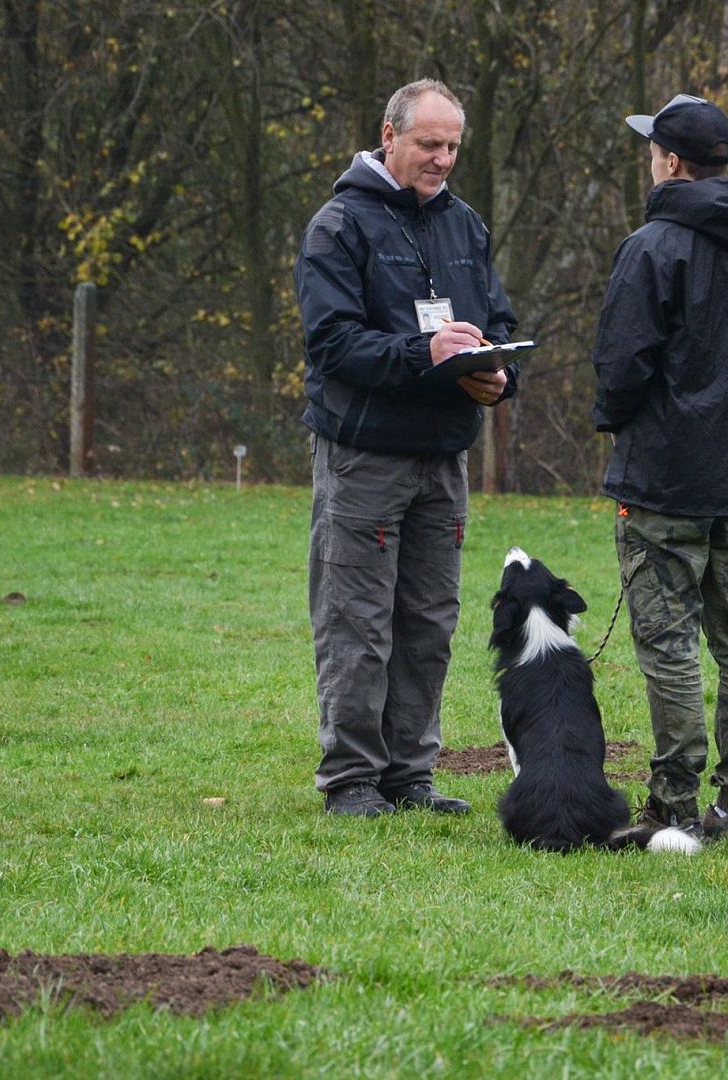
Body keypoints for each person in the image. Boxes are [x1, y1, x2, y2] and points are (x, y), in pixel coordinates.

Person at [294, 79, 519, 817]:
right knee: (357, 622)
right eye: (429, 144)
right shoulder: (338, 226)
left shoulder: (466, 227)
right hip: (365, 455)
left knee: (428, 623)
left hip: (442, 455)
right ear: (387, 137)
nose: (442, 159)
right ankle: (352, 780)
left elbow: (496, 318)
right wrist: (425, 353)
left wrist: (495, 374)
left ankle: (409, 775)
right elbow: (332, 344)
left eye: (452, 146)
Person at [590, 94, 728, 843]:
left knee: (669, 645)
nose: (651, 158)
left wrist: (621, 422)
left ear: (672, 162)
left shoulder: (650, 247)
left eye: (654, 149)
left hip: (661, 480)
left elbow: (620, 366)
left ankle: (675, 803)